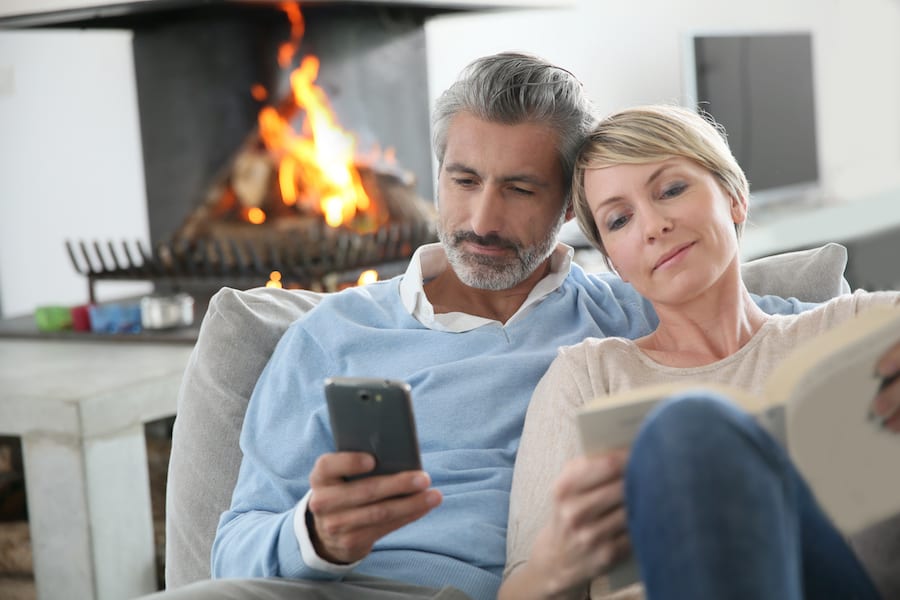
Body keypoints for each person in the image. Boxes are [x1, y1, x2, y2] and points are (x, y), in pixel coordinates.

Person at [147, 55, 837, 600]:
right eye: (464, 180)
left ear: (571, 204)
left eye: (519, 189)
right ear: (436, 179)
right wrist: (315, 535)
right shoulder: (332, 333)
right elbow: (228, 549)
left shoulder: (628, 315)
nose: (480, 221)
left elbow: (783, 331)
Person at [501, 104, 900, 600]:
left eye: (671, 190)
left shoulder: (853, 330)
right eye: (620, 219)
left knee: (689, 423)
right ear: (615, 263)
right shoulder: (587, 376)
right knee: (686, 425)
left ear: (734, 198)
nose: (652, 226)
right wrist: (558, 561)